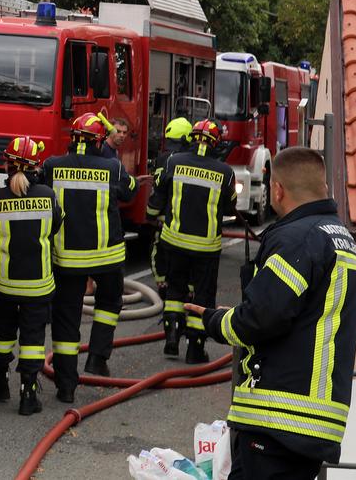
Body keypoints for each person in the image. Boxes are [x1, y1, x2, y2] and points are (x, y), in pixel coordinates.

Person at [188, 146, 356, 480]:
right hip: (314, 421)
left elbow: (262, 317)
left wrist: (215, 320)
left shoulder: (297, 239)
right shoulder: (340, 238)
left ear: (278, 189)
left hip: (279, 417)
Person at [40, 111, 137, 401]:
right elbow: (130, 192)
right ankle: (97, 357)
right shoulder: (112, 167)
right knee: (109, 303)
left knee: (66, 317)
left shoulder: (52, 166)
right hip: (107, 258)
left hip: (67, 259)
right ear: (99, 141)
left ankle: (66, 386)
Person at [0, 136, 63, 415]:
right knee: (33, 338)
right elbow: (54, 229)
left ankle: (0, 380)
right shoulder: (49, 196)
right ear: (35, 167)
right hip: (38, 286)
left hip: (3, 283)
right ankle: (28, 393)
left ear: (9, 165)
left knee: (2, 334)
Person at [147, 118, 235, 363]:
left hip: (173, 241)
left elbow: (157, 198)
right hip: (206, 247)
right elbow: (229, 208)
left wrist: (151, 216)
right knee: (203, 297)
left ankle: (171, 338)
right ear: (216, 144)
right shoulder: (225, 172)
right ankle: (195, 351)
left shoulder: (174, 162)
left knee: (175, 289)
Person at [148, 116, 196, 291]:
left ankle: (162, 282)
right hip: (191, 221)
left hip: (166, 219)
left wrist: (151, 214)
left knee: (160, 249)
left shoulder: (164, 160)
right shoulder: (194, 160)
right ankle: (190, 288)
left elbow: (158, 189)